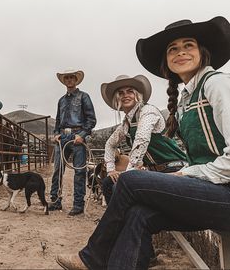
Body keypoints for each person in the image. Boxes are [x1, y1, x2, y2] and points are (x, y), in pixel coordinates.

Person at [56, 16, 230, 270]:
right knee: (138, 213)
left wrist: (183, 173)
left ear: (203, 52)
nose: (180, 52)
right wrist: (111, 166)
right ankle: (130, 257)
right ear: (167, 62)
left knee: (128, 181)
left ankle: (92, 257)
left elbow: (142, 141)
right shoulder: (182, 100)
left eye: (188, 45)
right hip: (205, 187)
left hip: (218, 188)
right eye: (173, 49)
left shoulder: (216, 84)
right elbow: (110, 146)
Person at [100, 74, 187, 204]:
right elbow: (110, 144)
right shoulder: (126, 124)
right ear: (117, 98)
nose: (125, 95)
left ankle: (122, 219)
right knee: (108, 182)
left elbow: (142, 139)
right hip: (153, 171)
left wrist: (129, 173)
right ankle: (119, 220)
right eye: (121, 93)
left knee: (124, 189)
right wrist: (111, 169)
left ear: (137, 95)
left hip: (173, 167)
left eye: (130, 91)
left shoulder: (148, 111)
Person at [49, 68, 97, 216]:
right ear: (64, 81)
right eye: (67, 78)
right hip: (62, 137)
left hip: (77, 136)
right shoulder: (61, 100)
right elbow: (58, 120)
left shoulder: (84, 97)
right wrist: (56, 133)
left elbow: (91, 119)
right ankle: (56, 200)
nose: (69, 80)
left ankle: (78, 204)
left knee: (79, 170)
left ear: (76, 80)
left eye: (71, 77)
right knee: (58, 169)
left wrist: (82, 134)